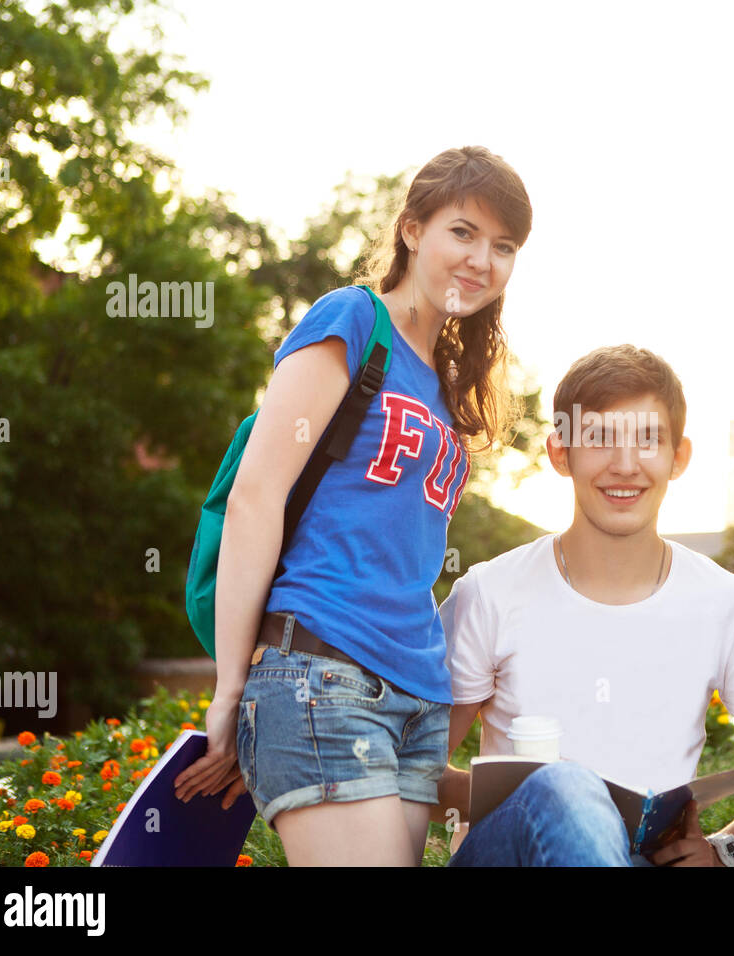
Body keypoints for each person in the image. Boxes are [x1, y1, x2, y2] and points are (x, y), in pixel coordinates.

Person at [171, 146, 533, 866]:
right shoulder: (353, 319)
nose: (480, 260)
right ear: (410, 230)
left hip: (420, 699)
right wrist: (233, 687)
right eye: (462, 232)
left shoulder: (454, 384)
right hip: (319, 673)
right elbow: (256, 498)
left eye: (503, 247)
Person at [435, 345, 734, 866]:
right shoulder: (489, 593)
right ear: (561, 453)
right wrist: (528, 797)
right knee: (562, 787)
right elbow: (417, 771)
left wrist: (726, 853)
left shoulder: (725, 602)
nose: (626, 465)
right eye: (599, 438)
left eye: (649, 440)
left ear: (680, 457)